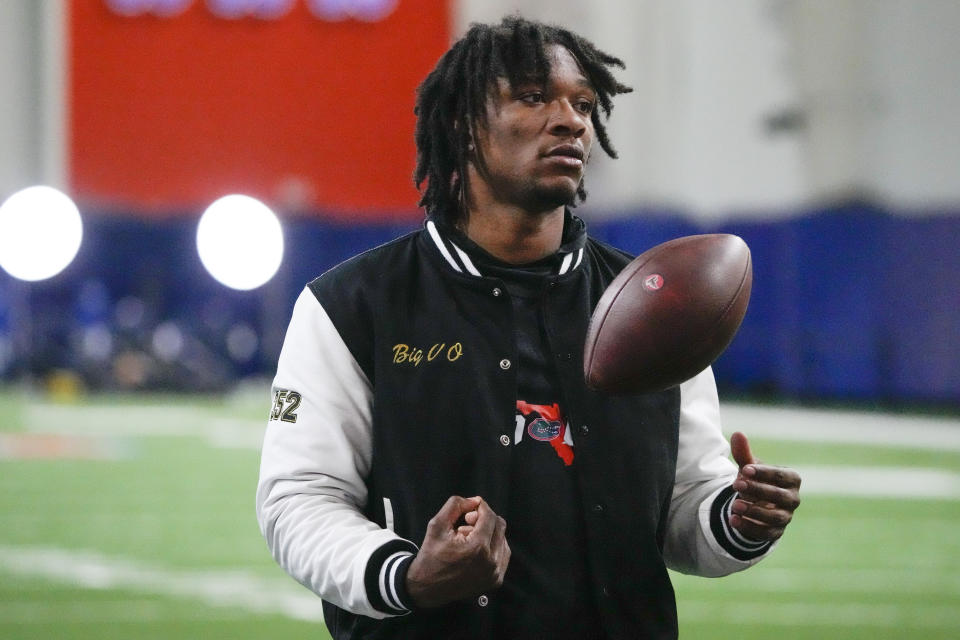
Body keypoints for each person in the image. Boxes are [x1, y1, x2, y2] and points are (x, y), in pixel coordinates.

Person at [256, 15, 801, 640]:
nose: (571, 120)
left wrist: (734, 517)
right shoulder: (351, 305)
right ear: (462, 122)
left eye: (584, 104)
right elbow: (298, 499)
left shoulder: (658, 304)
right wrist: (405, 574)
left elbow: (685, 506)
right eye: (534, 97)